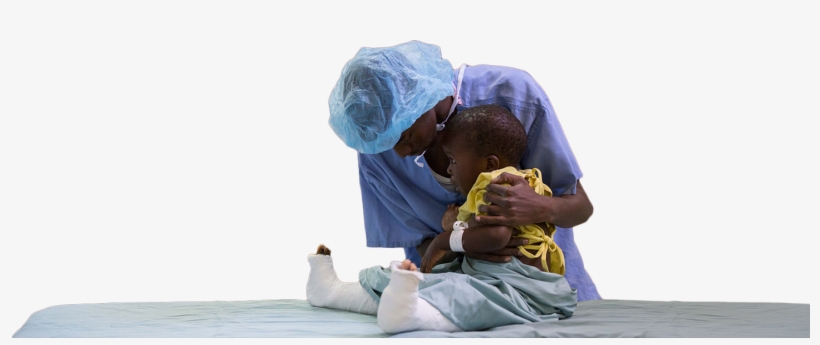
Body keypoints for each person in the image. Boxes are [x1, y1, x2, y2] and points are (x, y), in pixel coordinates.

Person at [328, 40, 600, 301]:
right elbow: (420, 246)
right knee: (378, 282)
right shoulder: (376, 151)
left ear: (419, 101)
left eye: (404, 136)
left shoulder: (513, 96)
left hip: (543, 287)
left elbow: (580, 207)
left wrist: (539, 207)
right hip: (455, 293)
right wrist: (462, 242)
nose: (398, 153)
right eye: (385, 145)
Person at [306, 104, 577, 333]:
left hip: (519, 286)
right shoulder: (503, 183)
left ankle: (406, 314)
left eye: (453, 161)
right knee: (433, 283)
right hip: (486, 275)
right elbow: (485, 229)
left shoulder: (500, 185)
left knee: (462, 295)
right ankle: (333, 292)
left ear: (490, 164)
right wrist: (456, 225)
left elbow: (498, 236)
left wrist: (444, 240)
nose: (449, 169)